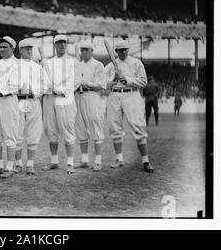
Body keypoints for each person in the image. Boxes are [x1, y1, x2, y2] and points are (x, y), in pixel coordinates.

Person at [104, 39, 154, 173]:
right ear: (116, 51)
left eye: (125, 49)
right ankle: (119, 159)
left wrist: (126, 79)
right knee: (114, 127)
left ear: (128, 50)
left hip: (132, 95)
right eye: (120, 50)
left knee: (138, 126)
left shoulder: (136, 63)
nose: (123, 52)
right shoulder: (110, 66)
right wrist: (113, 79)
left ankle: (145, 160)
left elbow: (143, 81)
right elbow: (102, 84)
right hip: (114, 95)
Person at [41, 35, 81, 174]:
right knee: (51, 129)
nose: (62, 45)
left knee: (67, 126)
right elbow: (43, 81)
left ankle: (70, 162)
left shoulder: (73, 61)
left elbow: (76, 80)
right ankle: (54, 161)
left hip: (66, 98)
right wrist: (50, 86)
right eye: (59, 43)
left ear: (66, 44)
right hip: (50, 98)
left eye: (64, 42)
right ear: (55, 45)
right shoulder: (48, 63)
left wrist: (63, 89)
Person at [14, 39, 49, 175]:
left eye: (30, 49)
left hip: (33, 100)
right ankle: (18, 163)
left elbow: (45, 85)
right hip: (18, 100)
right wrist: (19, 89)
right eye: (26, 49)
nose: (29, 51)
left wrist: (33, 91)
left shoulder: (37, 66)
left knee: (33, 132)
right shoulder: (14, 65)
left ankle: (30, 164)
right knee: (18, 132)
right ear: (20, 50)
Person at [0, 36, 20, 179]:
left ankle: (10, 166)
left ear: (12, 48)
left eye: (5, 47)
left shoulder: (18, 64)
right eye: (0, 47)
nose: (2, 49)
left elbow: (16, 84)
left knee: (9, 133)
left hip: (8, 99)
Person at [74, 40, 106, 172]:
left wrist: (86, 82)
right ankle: (84, 160)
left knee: (95, 125)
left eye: (86, 50)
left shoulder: (98, 65)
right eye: (82, 50)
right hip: (79, 96)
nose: (84, 52)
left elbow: (101, 84)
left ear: (92, 51)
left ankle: (98, 161)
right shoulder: (77, 65)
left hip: (93, 96)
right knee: (80, 128)